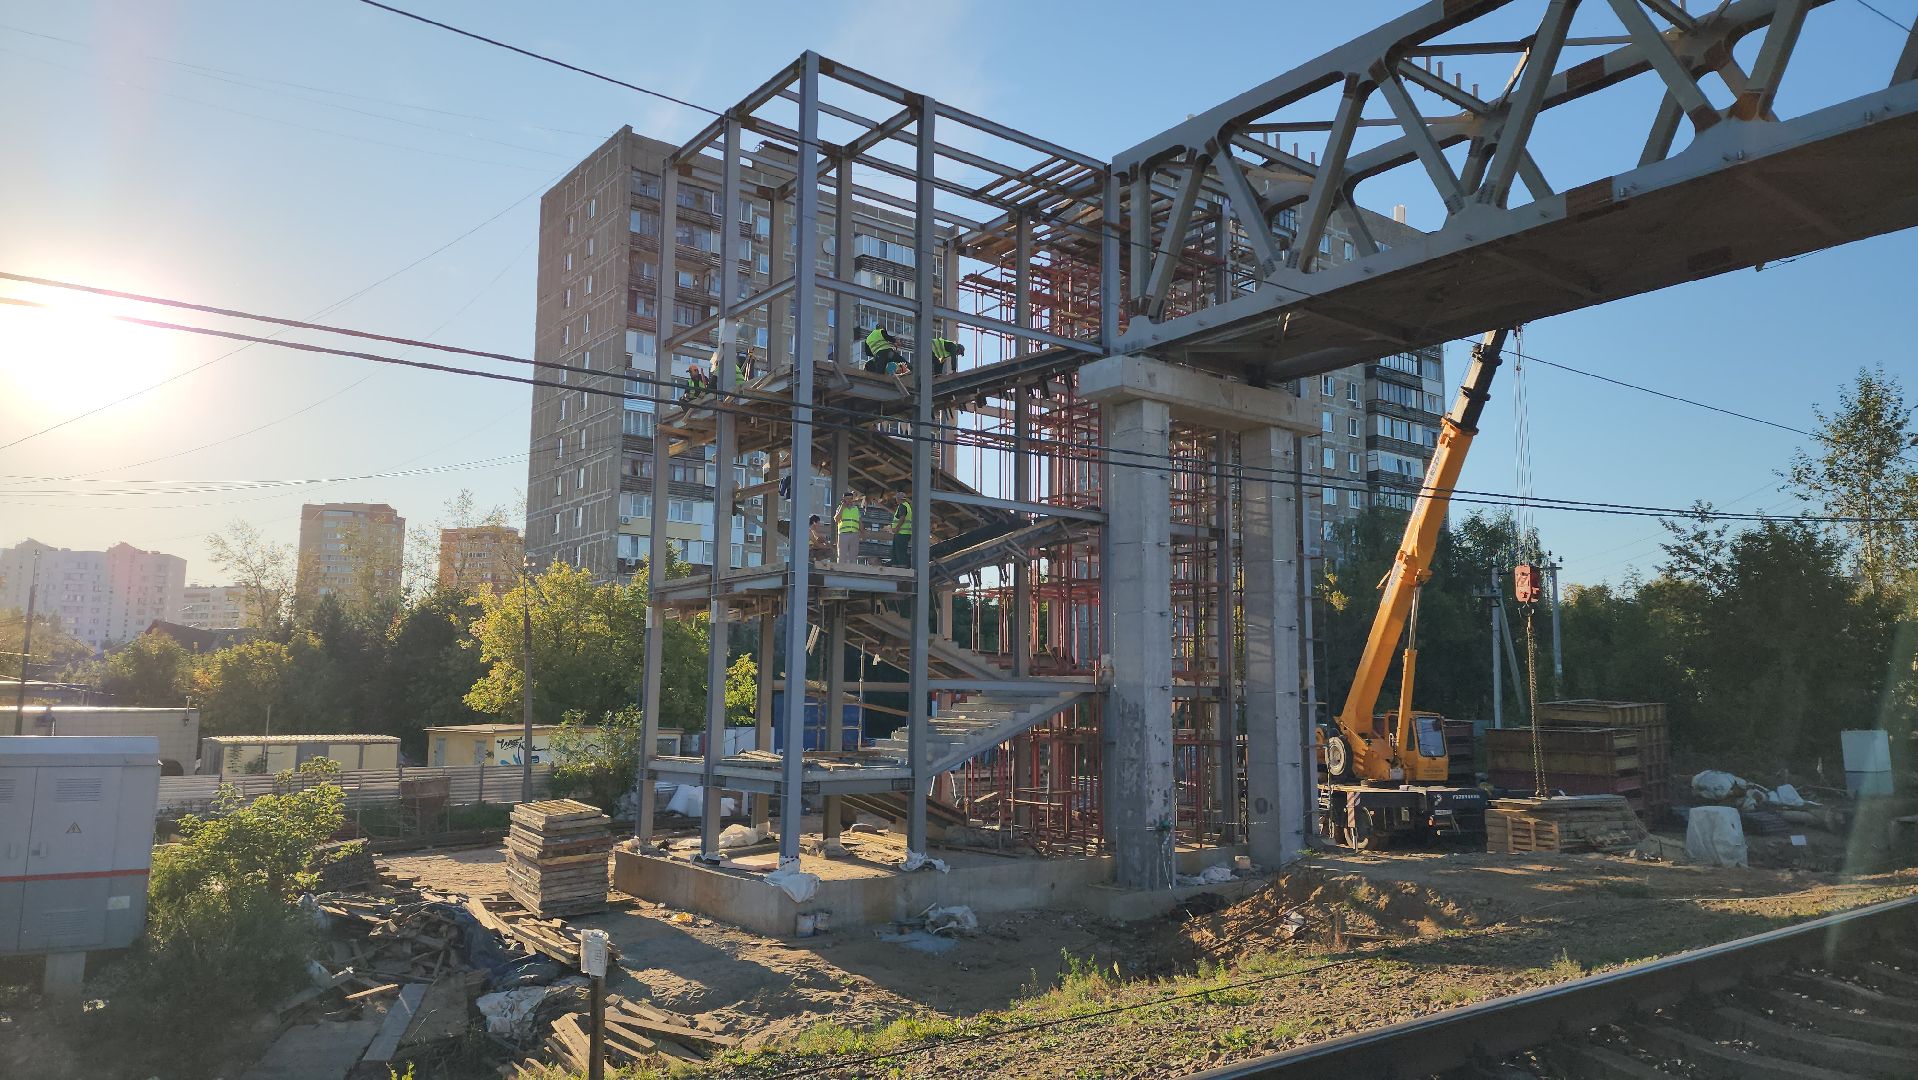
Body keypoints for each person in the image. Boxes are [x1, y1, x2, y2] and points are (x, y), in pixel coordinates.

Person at [836, 491, 864, 564]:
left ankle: (853, 569)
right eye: (847, 499)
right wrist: (842, 507)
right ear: (844, 499)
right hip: (843, 534)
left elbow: (859, 521)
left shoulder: (855, 509)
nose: (849, 500)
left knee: (853, 556)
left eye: (851, 499)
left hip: (855, 534)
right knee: (842, 555)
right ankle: (840, 569)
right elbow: (836, 519)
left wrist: (862, 532)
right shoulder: (840, 508)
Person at [889, 490, 913, 568]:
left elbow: (902, 518)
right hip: (904, 533)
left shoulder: (902, 506)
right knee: (897, 551)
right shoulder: (907, 506)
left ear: (898, 499)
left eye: (896, 498)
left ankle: (901, 567)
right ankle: (896, 566)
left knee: (899, 552)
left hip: (901, 533)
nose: (896, 500)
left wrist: (896, 528)